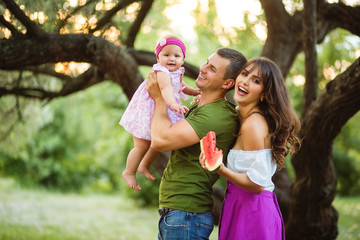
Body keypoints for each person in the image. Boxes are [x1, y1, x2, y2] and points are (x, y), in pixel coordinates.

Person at [144, 47, 247, 240]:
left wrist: (159, 98)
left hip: (186, 215)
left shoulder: (216, 115)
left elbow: (161, 139)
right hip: (179, 213)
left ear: (228, 83)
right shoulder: (200, 106)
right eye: (206, 62)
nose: (203, 68)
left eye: (213, 69)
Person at [199, 57, 301, 239]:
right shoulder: (243, 115)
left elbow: (258, 184)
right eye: (245, 74)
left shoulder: (253, 125)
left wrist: (220, 169)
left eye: (256, 81)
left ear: (264, 94)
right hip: (242, 205)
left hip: (253, 211)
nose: (245, 81)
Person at [120, 36, 200, 190]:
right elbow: (165, 89)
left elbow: (181, 86)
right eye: (166, 55)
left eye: (177, 56)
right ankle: (129, 172)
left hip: (162, 108)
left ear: (183, 59)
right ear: (158, 58)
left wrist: (194, 91)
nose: (172, 59)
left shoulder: (178, 72)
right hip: (148, 111)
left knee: (158, 142)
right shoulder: (162, 72)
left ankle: (144, 165)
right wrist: (173, 104)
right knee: (141, 145)